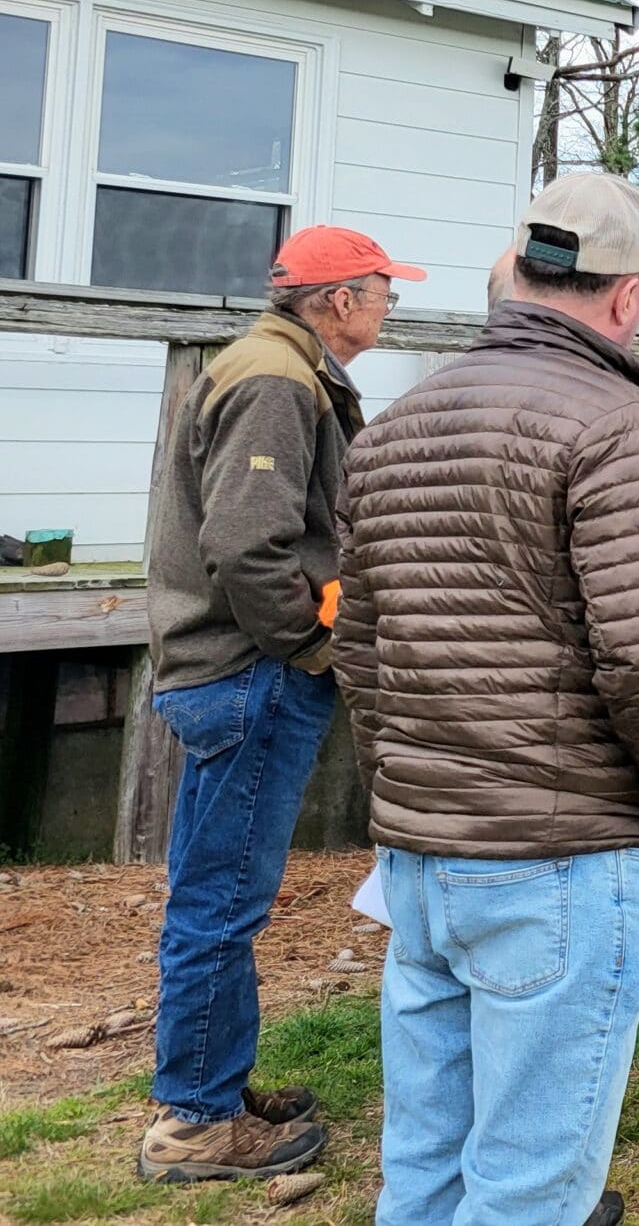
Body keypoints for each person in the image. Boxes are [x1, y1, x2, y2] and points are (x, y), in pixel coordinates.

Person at [335, 173, 639, 1226]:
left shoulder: (396, 422)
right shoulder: (615, 421)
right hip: (554, 851)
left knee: (422, 1167)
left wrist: (411, 788)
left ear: (520, 274)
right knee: (530, 1185)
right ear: (629, 296)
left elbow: (361, 650)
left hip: (423, 851)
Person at [136, 226, 419, 1183]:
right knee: (221, 902)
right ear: (338, 299)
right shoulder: (277, 380)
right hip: (251, 672)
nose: (390, 306)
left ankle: (209, 1081)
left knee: (216, 893)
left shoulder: (284, 368)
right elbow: (248, 546)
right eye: (382, 291)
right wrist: (310, 647)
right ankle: (196, 1125)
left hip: (238, 670)